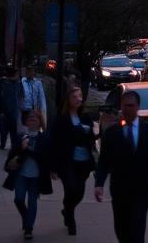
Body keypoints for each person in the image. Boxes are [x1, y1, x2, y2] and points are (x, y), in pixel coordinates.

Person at [93, 91, 148, 243]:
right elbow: (104, 161)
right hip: (120, 190)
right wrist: (99, 184)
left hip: (142, 190)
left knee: (137, 227)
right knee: (122, 228)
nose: (127, 109)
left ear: (138, 107)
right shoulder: (112, 133)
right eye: (125, 106)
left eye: (131, 106)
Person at [50, 83, 96, 236]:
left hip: (83, 162)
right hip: (67, 161)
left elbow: (91, 139)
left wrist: (91, 133)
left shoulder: (86, 117)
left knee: (79, 192)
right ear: (68, 99)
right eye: (74, 96)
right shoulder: (61, 119)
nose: (78, 99)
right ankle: (71, 220)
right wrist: (54, 167)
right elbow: (55, 143)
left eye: (80, 96)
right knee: (70, 188)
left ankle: (67, 209)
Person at [4, 111, 53, 241]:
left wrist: (29, 149)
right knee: (18, 199)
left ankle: (28, 229)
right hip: (22, 174)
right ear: (26, 122)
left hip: (37, 176)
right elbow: (12, 154)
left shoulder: (44, 138)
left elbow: (45, 157)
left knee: (32, 202)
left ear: (40, 122)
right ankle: (27, 217)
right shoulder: (21, 136)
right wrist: (21, 147)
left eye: (35, 118)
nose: (32, 120)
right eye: (30, 119)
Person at [0, 66, 21, 152]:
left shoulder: (17, 84)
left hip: (12, 111)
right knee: (6, 129)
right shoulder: (6, 84)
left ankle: (10, 144)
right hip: (7, 111)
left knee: (11, 130)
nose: (18, 76)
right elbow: (2, 99)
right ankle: (5, 143)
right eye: (17, 74)